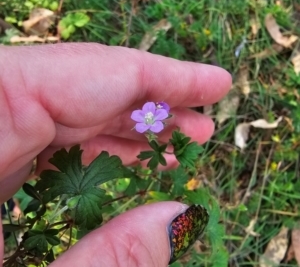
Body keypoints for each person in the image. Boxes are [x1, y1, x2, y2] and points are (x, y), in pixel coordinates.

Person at [0, 43, 231, 266]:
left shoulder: (153, 123)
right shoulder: (143, 122)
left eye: (153, 116)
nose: (150, 117)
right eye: (149, 117)